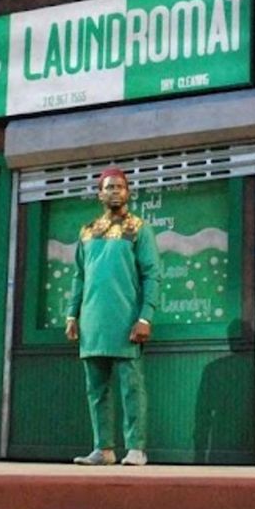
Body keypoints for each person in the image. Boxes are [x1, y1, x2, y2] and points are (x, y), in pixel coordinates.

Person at [65, 167, 160, 467]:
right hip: (92, 321)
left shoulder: (139, 229)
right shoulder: (87, 231)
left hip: (126, 320)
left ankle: (136, 448)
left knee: (132, 388)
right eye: (109, 187)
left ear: (128, 192)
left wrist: (145, 317)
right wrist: (72, 314)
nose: (114, 191)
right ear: (99, 194)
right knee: (96, 390)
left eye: (120, 186)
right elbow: (79, 277)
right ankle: (103, 449)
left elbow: (152, 275)